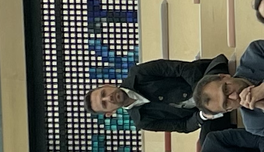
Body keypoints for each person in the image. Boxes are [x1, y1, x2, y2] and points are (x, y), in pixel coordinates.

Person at [87, 55, 228, 139]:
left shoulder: (138, 73)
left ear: (107, 85)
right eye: (104, 104)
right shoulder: (142, 122)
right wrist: (202, 115)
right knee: (210, 148)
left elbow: (182, 69)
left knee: (217, 92)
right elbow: (183, 125)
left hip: (207, 77)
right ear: (109, 113)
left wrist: (202, 94)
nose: (109, 98)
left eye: (104, 94)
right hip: (205, 113)